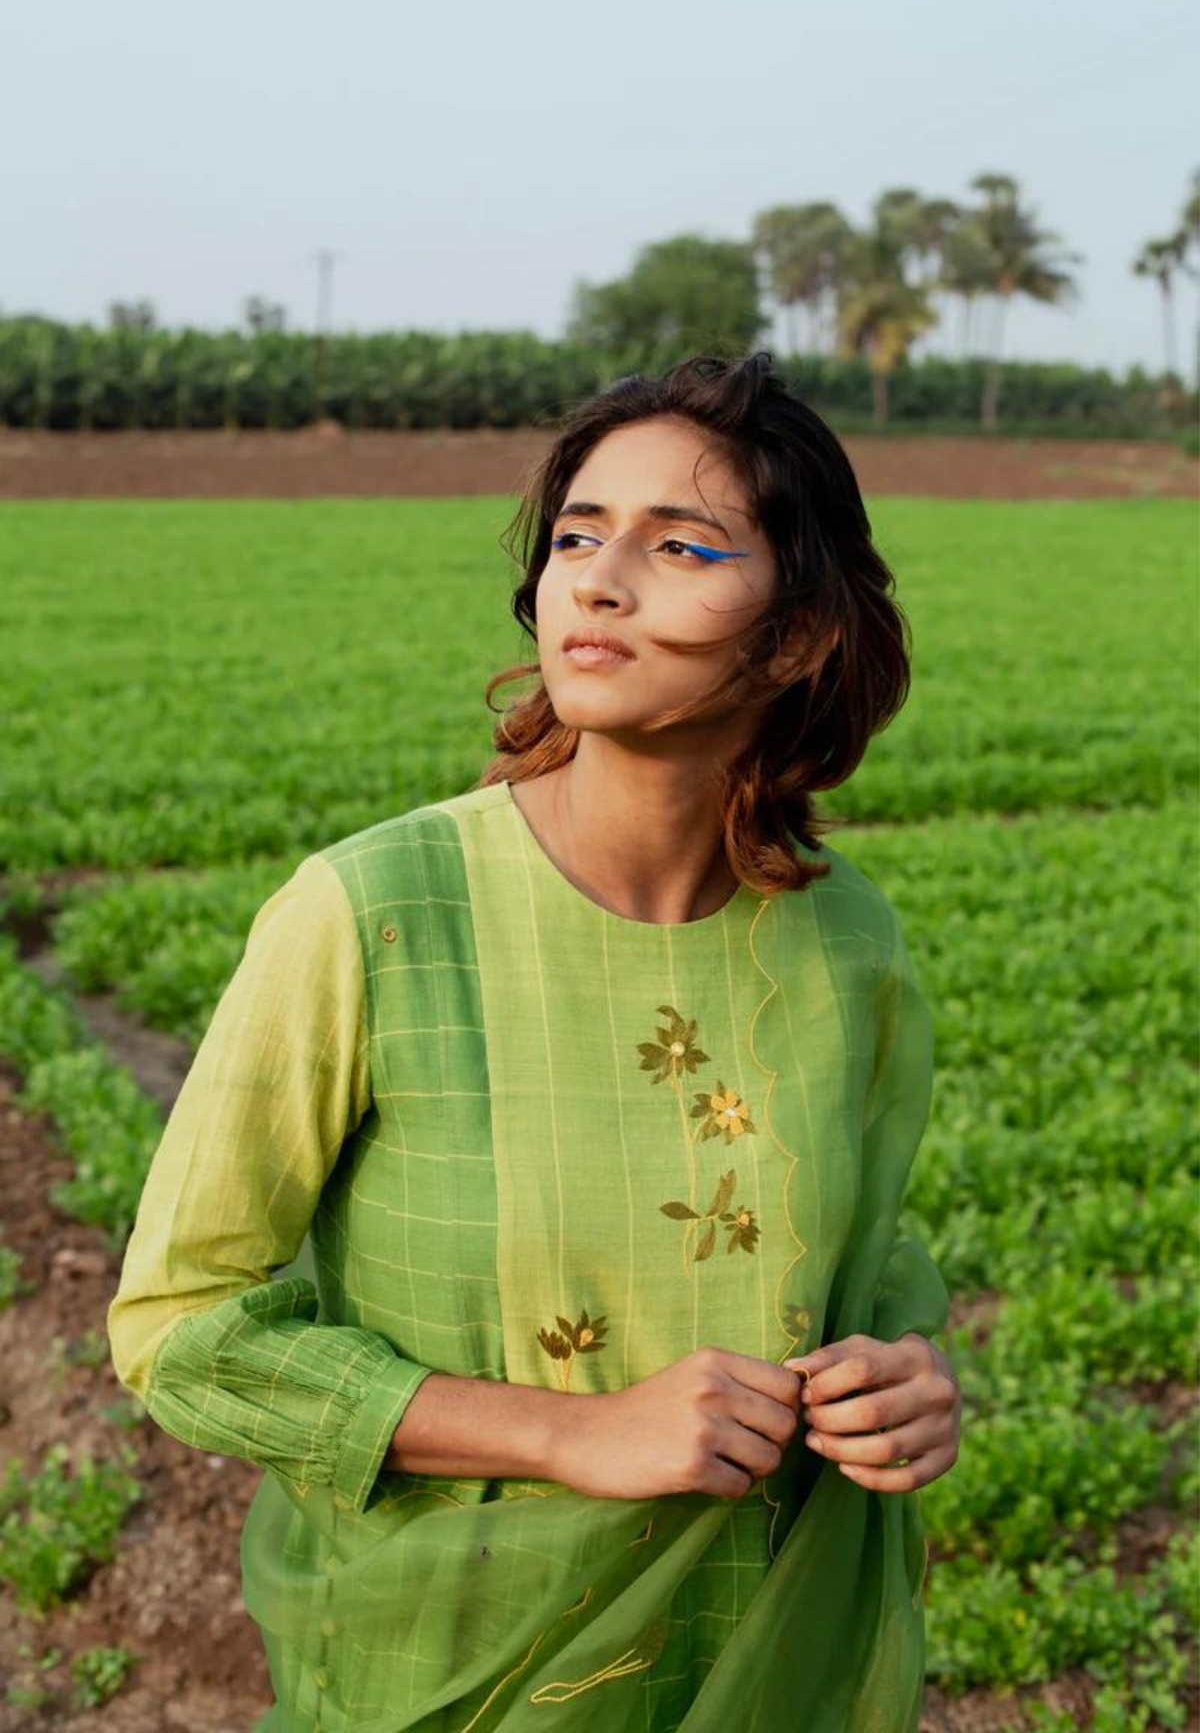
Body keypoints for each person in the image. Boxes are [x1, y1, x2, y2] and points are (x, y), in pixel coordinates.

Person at [107, 351, 962, 1733]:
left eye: (680, 544)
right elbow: (179, 1328)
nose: (601, 578)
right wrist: (580, 1433)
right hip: (455, 1664)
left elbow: (872, 1265)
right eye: (578, 535)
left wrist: (910, 1380)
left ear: (798, 634)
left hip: (763, 1653)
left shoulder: (845, 942)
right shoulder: (373, 915)